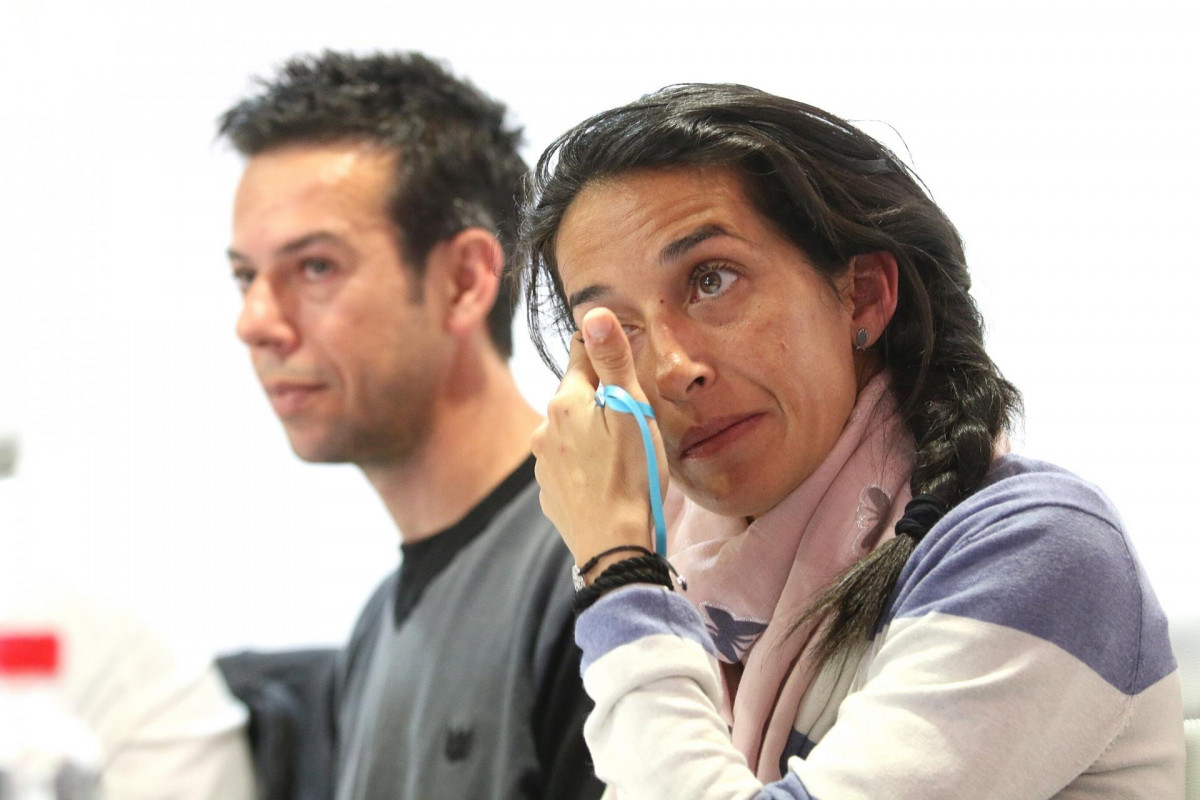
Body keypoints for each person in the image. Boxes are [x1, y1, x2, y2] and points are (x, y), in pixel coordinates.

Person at [523, 84, 1186, 798]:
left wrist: (619, 572)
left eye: (712, 280)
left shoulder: (1039, 550)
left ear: (863, 296)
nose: (674, 369)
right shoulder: (682, 580)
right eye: (615, 330)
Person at [218, 51, 602, 800]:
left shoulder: (594, 568)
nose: (255, 322)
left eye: (316, 267)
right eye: (246, 276)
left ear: (463, 280)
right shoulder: (371, 634)